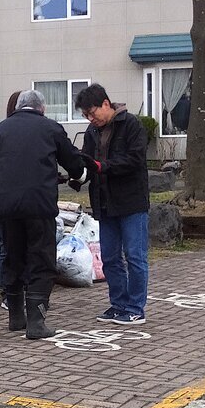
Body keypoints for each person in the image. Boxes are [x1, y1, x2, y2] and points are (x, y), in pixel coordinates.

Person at [0, 89, 87, 339]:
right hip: (38, 205)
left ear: (19, 107)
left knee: (13, 257)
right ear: (42, 108)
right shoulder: (50, 128)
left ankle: (15, 317)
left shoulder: (1, 129)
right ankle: (36, 323)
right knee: (41, 259)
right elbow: (73, 162)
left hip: (7, 206)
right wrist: (80, 174)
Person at [72, 83, 149, 325]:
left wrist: (101, 167)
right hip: (104, 204)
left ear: (106, 104)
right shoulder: (91, 132)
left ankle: (135, 307)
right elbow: (88, 163)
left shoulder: (131, 125)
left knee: (135, 256)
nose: (90, 118)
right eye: (85, 115)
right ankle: (118, 304)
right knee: (110, 258)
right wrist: (78, 176)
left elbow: (134, 160)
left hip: (131, 203)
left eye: (92, 112)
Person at [0, 91, 22, 312]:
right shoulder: (8, 131)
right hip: (13, 203)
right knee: (11, 250)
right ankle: (11, 293)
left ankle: (11, 294)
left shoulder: (2, 129)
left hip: (4, 202)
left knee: (9, 249)